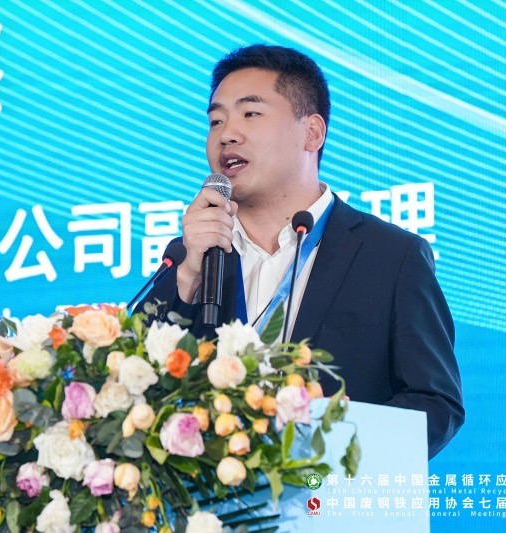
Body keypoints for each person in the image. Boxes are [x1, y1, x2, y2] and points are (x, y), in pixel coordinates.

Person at [139, 44, 464, 458]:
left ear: (312, 132)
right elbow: (134, 384)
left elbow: (436, 405)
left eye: (250, 114)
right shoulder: (194, 255)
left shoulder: (391, 256)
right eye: (216, 120)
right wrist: (187, 277)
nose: (226, 134)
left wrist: (326, 445)